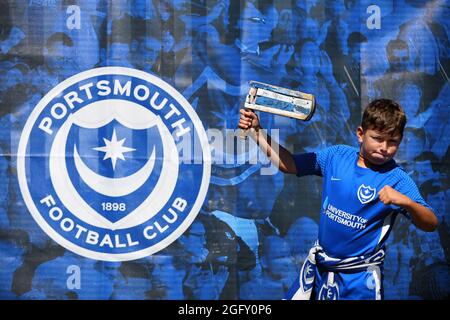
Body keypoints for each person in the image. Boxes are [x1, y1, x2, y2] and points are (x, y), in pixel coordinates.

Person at [238, 98, 438, 300]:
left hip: (359, 282)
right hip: (319, 271)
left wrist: (407, 202)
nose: (384, 147)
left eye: (392, 141)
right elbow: (289, 164)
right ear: (360, 134)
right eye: (377, 138)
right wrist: (257, 132)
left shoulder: (398, 179)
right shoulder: (336, 156)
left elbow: (431, 223)